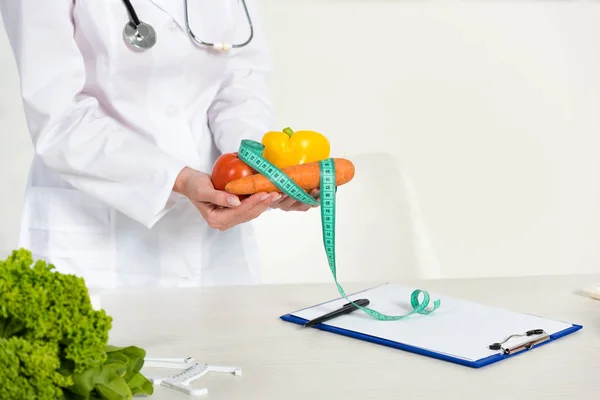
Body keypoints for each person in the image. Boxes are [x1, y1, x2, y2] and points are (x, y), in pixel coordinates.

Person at [0, 0, 316, 288]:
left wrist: (261, 171)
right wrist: (178, 179)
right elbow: (59, 118)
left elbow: (239, 82)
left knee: (227, 345)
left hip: (215, 244)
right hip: (95, 234)